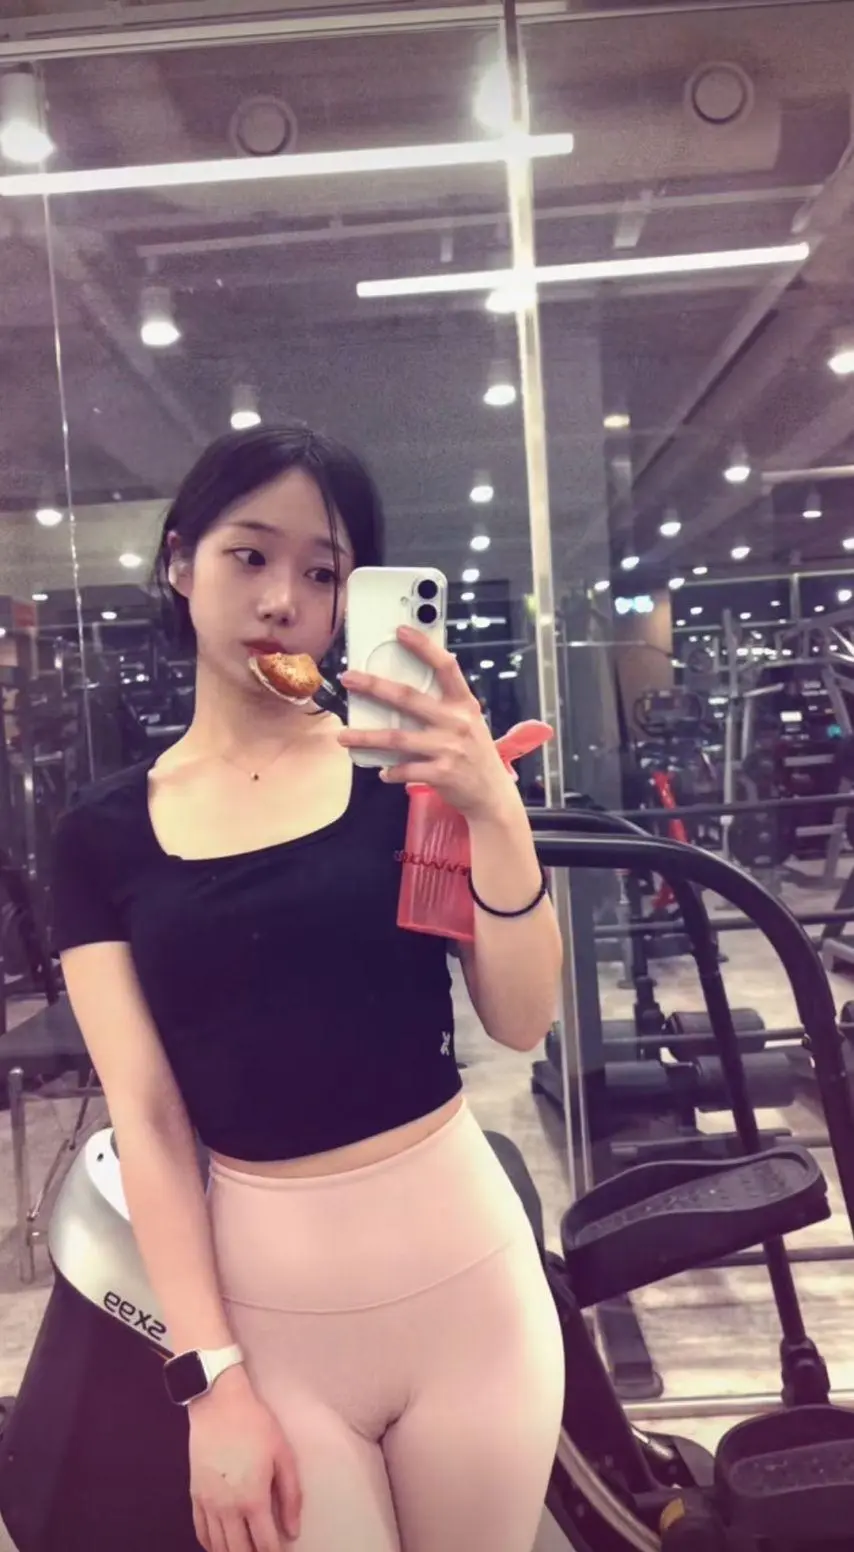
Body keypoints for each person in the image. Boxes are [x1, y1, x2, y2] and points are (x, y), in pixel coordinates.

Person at [51, 422, 565, 1552]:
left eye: (322, 573)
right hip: (273, 1330)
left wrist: (493, 813)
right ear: (180, 564)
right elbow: (149, 1118)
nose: (283, 599)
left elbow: (521, 1016)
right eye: (249, 555)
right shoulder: (99, 839)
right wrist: (208, 1383)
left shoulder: (400, 777)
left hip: (471, 1295)